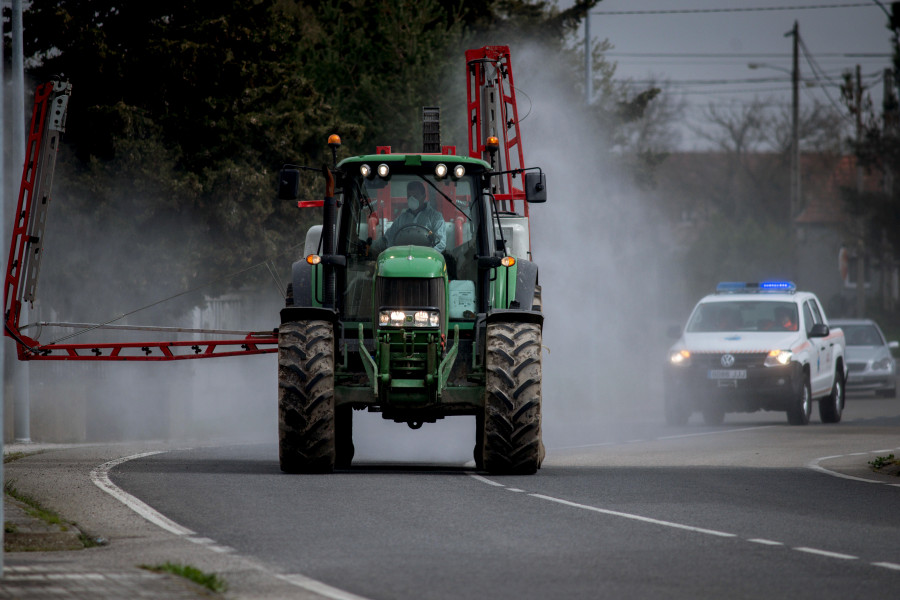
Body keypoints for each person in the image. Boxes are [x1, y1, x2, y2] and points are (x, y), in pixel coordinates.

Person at [370, 181, 446, 254]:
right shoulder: (401, 219)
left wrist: (428, 255)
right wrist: (371, 246)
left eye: (415, 196)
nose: (412, 199)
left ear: (424, 197)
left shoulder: (435, 217)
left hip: (427, 261)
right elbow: (387, 239)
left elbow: (441, 243)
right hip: (402, 258)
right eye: (409, 196)